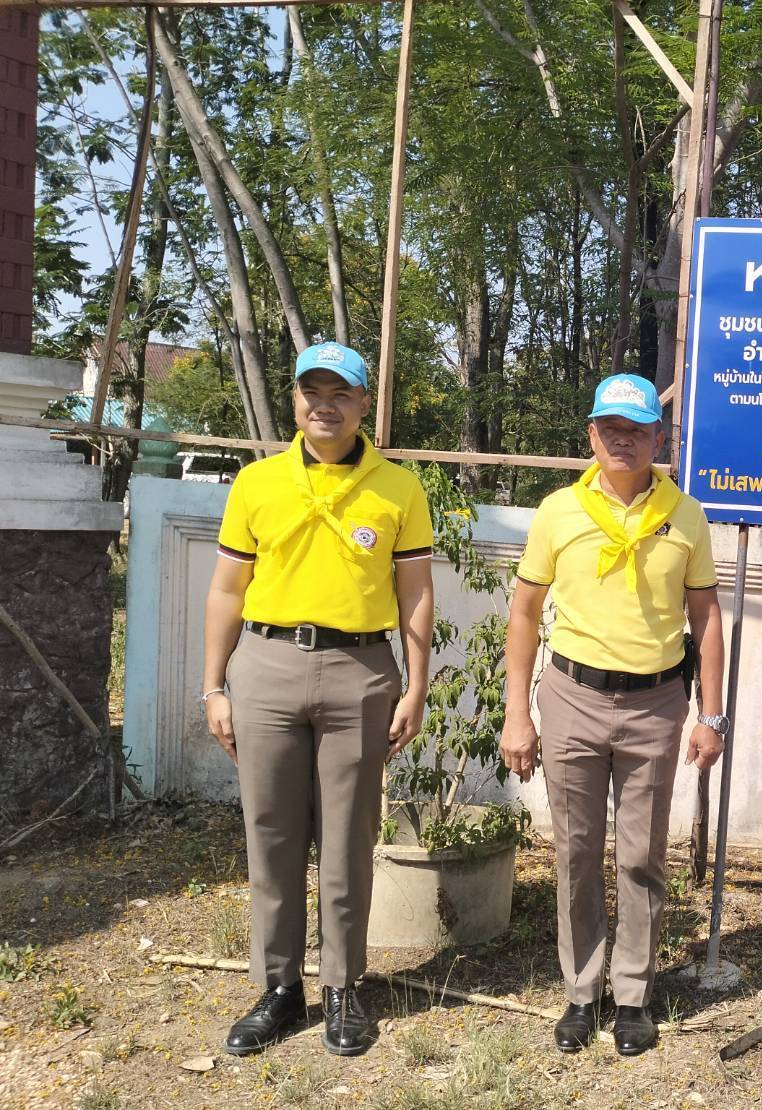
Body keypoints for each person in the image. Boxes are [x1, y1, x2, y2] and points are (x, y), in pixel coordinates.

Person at [201, 342, 434, 1058]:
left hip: (359, 670)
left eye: (341, 393)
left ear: (364, 404)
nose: (324, 406)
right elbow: (227, 590)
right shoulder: (257, 483)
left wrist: (417, 685)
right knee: (270, 834)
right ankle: (279, 988)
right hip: (267, 665)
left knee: (347, 839)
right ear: (295, 401)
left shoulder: (398, 489)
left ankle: (342, 985)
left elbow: (415, 593)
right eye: (313, 392)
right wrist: (214, 684)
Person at [502, 372, 727, 1057]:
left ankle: (632, 995)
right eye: (610, 428)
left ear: (659, 438)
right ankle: (581, 991)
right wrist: (517, 712)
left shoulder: (686, 515)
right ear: (591, 435)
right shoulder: (558, 512)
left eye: (636, 429)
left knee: (641, 855)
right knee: (575, 851)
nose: (622, 440)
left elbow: (706, 617)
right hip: (572, 696)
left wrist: (711, 715)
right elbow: (524, 611)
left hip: (655, 703)